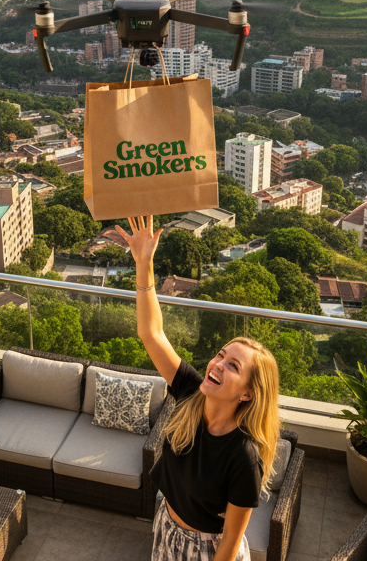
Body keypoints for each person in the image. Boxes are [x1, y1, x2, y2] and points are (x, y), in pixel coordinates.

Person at [120, 215, 281, 561]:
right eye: (220, 356)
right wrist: (144, 264)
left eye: (233, 366)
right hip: (168, 528)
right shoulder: (192, 392)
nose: (217, 364)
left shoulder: (243, 456)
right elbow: (152, 333)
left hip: (207, 550)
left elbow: (230, 541)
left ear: (248, 394)